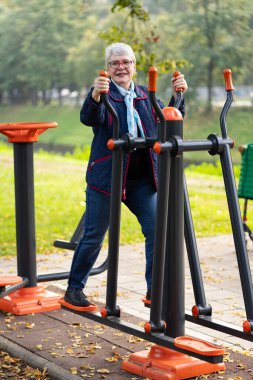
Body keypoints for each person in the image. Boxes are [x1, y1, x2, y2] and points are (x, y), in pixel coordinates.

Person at [64, 42, 188, 307]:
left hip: (141, 181)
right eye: (115, 63)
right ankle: (74, 289)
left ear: (134, 66)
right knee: (94, 236)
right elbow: (90, 117)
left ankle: (154, 290)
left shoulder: (146, 95)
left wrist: (179, 98)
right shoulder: (104, 94)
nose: (121, 67)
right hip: (108, 179)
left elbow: (168, 121)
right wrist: (96, 95)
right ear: (108, 69)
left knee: (157, 229)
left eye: (126, 62)